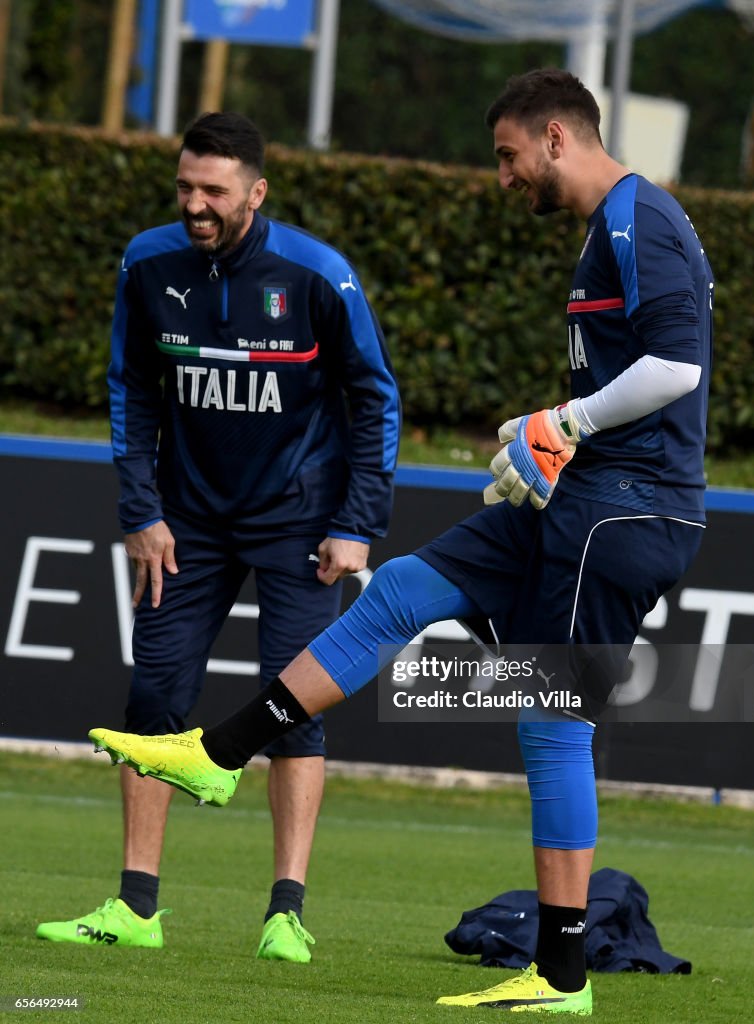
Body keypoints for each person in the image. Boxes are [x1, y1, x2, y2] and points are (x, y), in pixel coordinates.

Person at [88, 68, 712, 1015]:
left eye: (507, 157)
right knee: (401, 591)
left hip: (628, 512)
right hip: (584, 497)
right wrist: (555, 444)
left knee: (552, 724)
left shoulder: (641, 216)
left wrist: (565, 423)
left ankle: (563, 976)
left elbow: (676, 366)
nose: (501, 177)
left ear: (555, 136)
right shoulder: (612, 226)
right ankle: (218, 755)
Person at [37, 112, 401, 962]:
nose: (197, 204)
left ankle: (286, 913)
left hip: (301, 522)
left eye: (215, 191)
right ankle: (134, 908)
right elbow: (128, 386)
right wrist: (140, 509)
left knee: (294, 705)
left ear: (256, 192)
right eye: (186, 187)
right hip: (186, 521)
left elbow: (374, 396)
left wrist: (357, 523)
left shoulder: (319, 274)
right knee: (152, 702)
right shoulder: (147, 260)